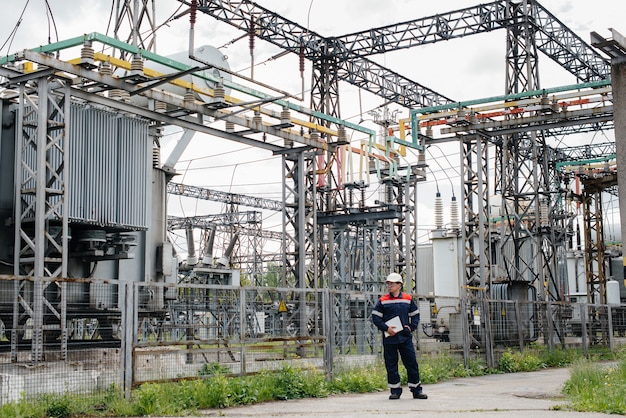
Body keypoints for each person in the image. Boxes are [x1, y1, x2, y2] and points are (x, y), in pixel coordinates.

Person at [371, 272, 427, 400]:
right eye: (388, 283)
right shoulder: (383, 300)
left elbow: (415, 315)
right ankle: (395, 390)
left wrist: (410, 327)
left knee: (411, 363)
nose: (389, 286)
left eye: (392, 283)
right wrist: (386, 328)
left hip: (405, 338)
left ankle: (416, 390)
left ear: (399, 285)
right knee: (391, 365)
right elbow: (375, 317)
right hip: (389, 338)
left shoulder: (407, 299)